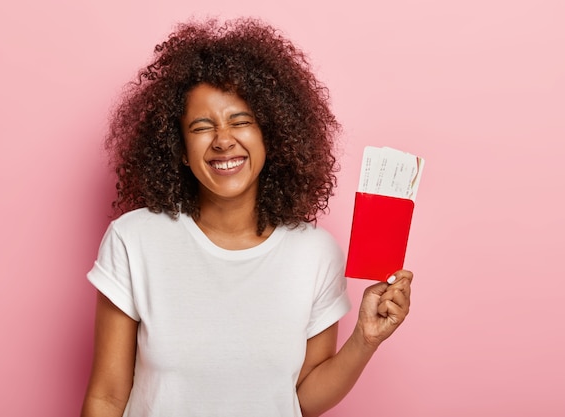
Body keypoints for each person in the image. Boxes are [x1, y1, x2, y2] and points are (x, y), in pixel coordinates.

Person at [81, 17, 413, 417]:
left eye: (241, 122)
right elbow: (107, 397)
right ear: (180, 150)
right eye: (202, 127)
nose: (223, 140)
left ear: (271, 136)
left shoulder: (314, 252)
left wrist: (365, 338)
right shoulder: (134, 240)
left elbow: (302, 399)